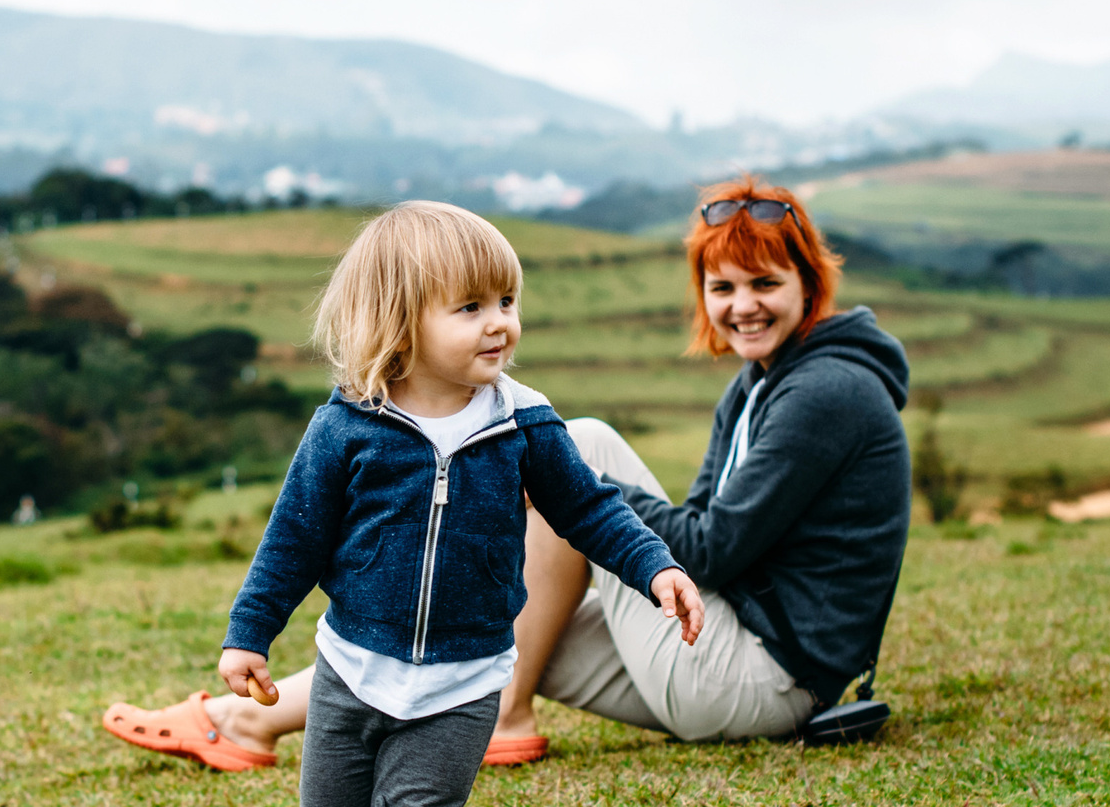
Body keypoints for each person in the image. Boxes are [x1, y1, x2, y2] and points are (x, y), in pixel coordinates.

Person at [104, 173, 909, 763]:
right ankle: (248, 722)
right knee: (492, 625)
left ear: (812, 280)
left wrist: (563, 487)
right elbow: (709, 528)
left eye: (766, 282)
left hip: (765, 676)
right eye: (722, 285)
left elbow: (711, 547)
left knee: (577, 441)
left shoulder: (827, 391)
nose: (742, 305)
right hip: (729, 646)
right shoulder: (764, 380)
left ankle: (503, 715)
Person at [209, 201, 703, 807]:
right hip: (352, 664)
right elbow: (292, 537)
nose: (499, 324)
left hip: (466, 676)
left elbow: (590, 509)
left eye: (506, 301)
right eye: (470, 307)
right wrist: (247, 632)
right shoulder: (346, 426)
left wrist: (656, 566)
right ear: (402, 319)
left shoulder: (522, 420)